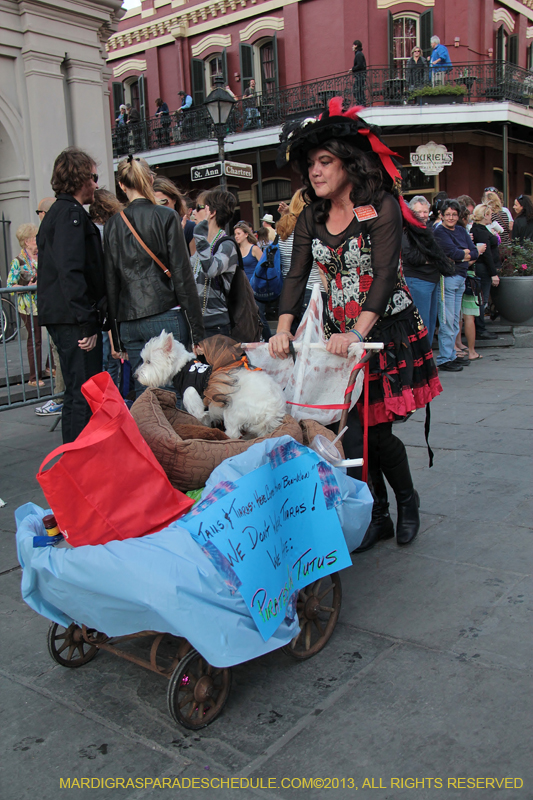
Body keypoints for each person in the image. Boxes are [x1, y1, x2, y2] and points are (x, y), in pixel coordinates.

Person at [270, 98, 443, 551]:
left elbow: (385, 275)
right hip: (337, 338)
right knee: (351, 429)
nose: (315, 171)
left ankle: (406, 503)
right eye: (311, 164)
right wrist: (283, 327)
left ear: (348, 163)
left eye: (325, 161)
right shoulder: (311, 214)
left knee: (376, 428)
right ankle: (377, 514)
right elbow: (296, 273)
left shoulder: (380, 205)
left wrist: (358, 332)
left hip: (382, 331)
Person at [104, 156, 204, 397]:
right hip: (165, 315)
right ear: (150, 179)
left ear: (121, 185)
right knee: (176, 394)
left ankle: (148, 436)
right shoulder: (166, 216)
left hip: (129, 319)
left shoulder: (113, 224)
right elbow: (182, 276)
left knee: (146, 396)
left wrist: (116, 338)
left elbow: (110, 281)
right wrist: (197, 333)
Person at [37, 147, 106, 443]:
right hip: (73, 320)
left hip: (65, 317)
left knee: (77, 394)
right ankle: (81, 465)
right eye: (93, 176)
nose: (95, 183)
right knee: (83, 394)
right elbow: (72, 271)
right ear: (80, 178)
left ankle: (77, 462)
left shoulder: (59, 213)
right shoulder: (70, 214)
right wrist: (86, 323)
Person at [433, 200, 479, 372]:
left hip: (461, 277)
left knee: (454, 319)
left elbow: (473, 251)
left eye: (454, 214)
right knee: (446, 318)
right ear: (442, 215)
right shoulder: (440, 232)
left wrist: (463, 254)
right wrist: (463, 253)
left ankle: (451, 354)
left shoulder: (460, 230)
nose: (451, 218)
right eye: (448, 214)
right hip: (448, 278)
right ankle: (445, 358)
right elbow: (453, 252)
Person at [402, 195, 453, 345]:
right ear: (410, 213)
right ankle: (421, 361)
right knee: (420, 324)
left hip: (432, 280)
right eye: (419, 212)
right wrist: (435, 259)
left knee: (430, 323)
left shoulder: (427, 229)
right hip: (417, 281)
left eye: (425, 212)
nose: (423, 215)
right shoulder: (406, 231)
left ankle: (427, 360)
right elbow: (411, 257)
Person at [192, 187, 238, 339]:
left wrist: (199, 234)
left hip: (216, 325)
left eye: (198, 208)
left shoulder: (227, 245)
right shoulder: (204, 245)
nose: (193, 212)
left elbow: (211, 269)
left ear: (211, 212)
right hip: (198, 324)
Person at [89, 189, 124, 387]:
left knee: (105, 363)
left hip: (98, 303)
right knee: (112, 363)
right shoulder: (112, 229)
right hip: (109, 301)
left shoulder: (94, 229)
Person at [277, 189, 324, 324]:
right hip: (314, 291)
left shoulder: (284, 231)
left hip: (290, 294)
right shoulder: (308, 231)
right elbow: (320, 268)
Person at [7, 223, 43, 387]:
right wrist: (26, 286)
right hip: (28, 306)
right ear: (27, 241)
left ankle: (51, 367)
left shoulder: (42, 255)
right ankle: (34, 377)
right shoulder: (19, 261)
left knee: (53, 338)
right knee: (34, 339)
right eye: (35, 237)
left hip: (45, 302)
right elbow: (10, 285)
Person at [234, 220, 271, 341]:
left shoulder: (254, 249)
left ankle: (269, 340)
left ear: (246, 234)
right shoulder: (236, 250)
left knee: (259, 316)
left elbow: (265, 266)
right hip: (242, 288)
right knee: (245, 317)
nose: (236, 236)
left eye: (239, 233)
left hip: (255, 288)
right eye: (235, 234)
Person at [470, 203, 501, 341]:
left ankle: (480, 327)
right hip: (484, 269)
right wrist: (493, 273)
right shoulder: (481, 231)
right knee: (482, 299)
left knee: (480, 298)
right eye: (489, 214)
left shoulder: (479, 229)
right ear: (485, 215)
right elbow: (486, 254)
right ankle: (480, 328)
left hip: (482, 267)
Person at [351, 40, 367, 105]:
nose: (352, 47)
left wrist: (352, 69)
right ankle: (361, 103)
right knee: (359, 90)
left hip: (360, 76)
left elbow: (360, 65)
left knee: (357, 89)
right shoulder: (358, 54)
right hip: (360, 75)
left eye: (353, 45)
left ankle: (361, 103)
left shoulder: (359, 54)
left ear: (356, 46)